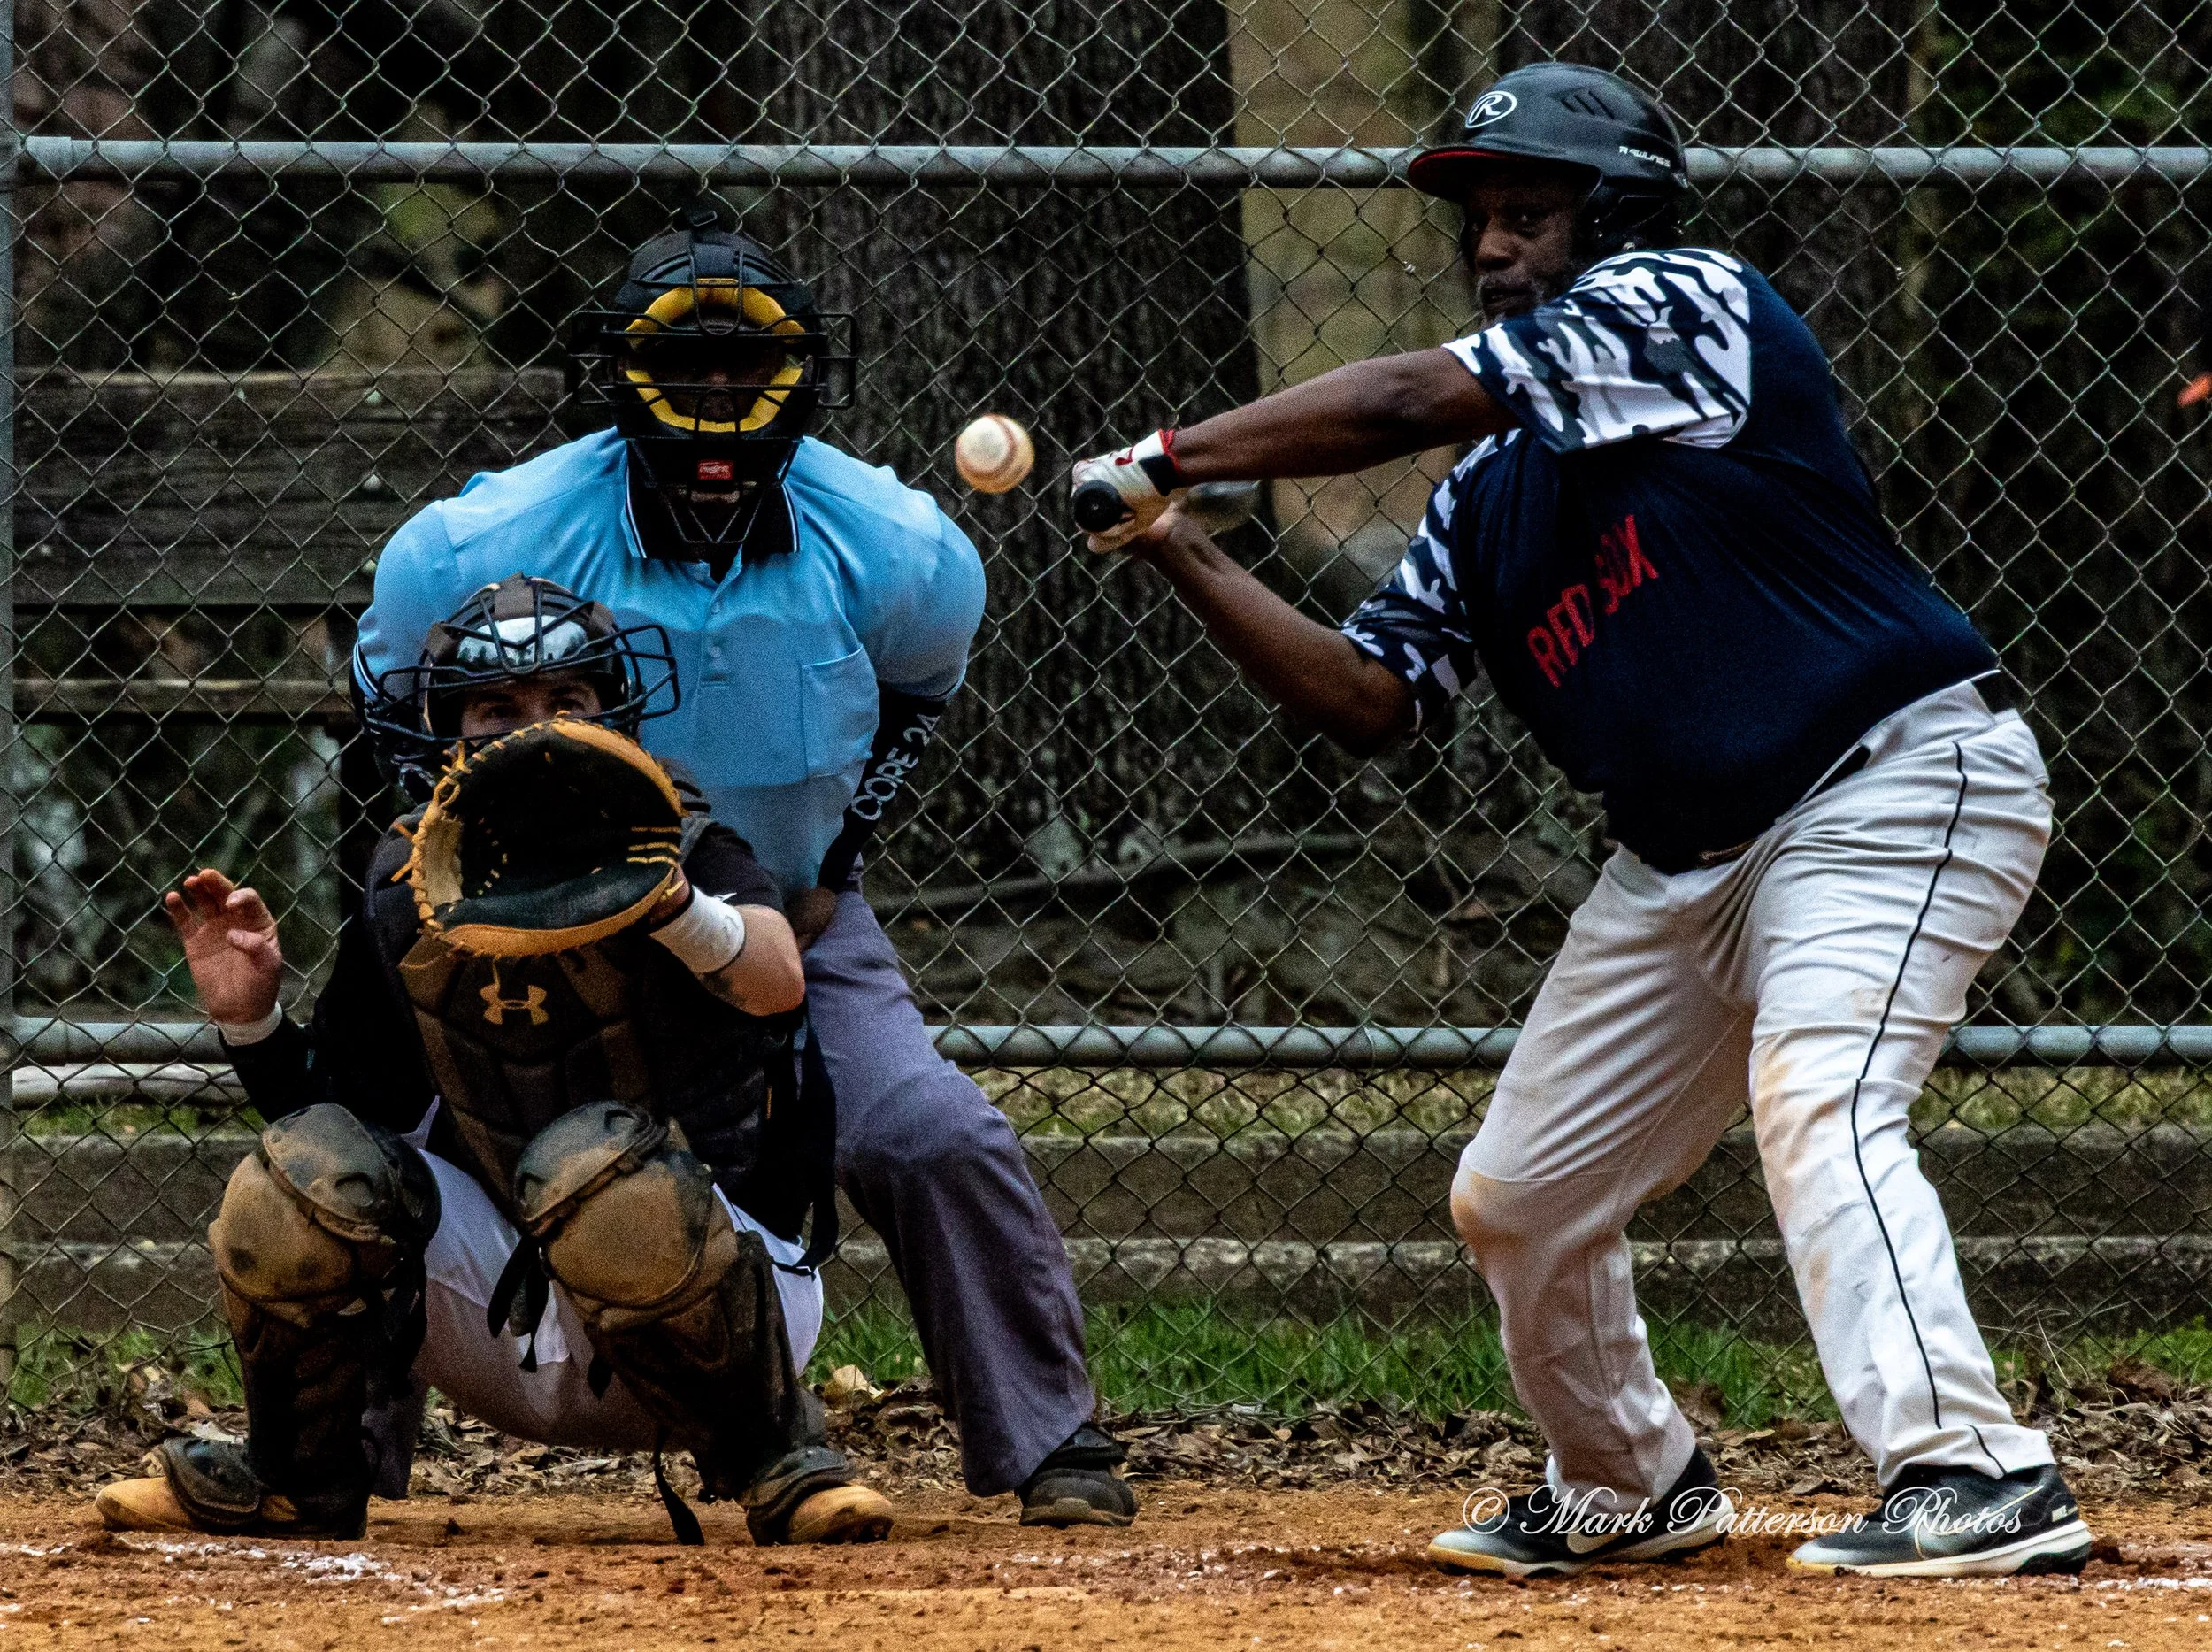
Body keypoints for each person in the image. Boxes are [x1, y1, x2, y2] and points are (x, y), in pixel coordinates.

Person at [1071, 61, 2089, 1580]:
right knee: (1519, 1192)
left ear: (1614, 215)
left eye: (1529, 212)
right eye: (1482, 221)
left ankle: (1977, 1468)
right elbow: (1371, 704)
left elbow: (1416, 389)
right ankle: (1630, 1476)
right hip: (1684, 860)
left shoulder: (1693, 303)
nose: (1493, 247)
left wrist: (1170, 452)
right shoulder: (1490, 497)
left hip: (1891, 783)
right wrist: (1172, 544)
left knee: (1820, 1096)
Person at [349, 201, 1133, 1527]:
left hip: (780, 908)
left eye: (744, 364)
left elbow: (917, 696)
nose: (715, 391)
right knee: (364, 1148)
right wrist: (475, 891)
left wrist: (839, 855)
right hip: (532, 922)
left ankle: (1051, 1440)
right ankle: (324, 1457)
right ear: (617, 374)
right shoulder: (483, 541)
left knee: (934, 1132)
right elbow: (392, 709)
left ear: (799, 376)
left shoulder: (896, 547)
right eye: (683, 363)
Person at [96, 575, 895, 1547]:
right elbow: (339, 1120)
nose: (539, 730)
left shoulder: (685, 845)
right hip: (509, 1315)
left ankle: (781, 1461)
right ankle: (300, 1479)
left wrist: (670, 903)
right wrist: (254, 1018)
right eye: (498, 708)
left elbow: (776, 978)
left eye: (568, 702)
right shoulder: (410, 886)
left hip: (726, 1302)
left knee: (598, 1163)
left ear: (615, 714)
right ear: (445, 731)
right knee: (300, 1178)